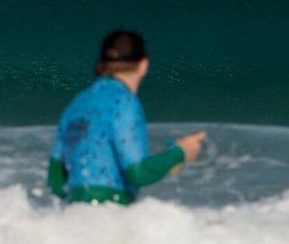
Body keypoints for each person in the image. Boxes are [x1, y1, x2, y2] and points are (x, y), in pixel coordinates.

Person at [47, 29, 206, 205]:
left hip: (74, 215)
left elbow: (56, 183)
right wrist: (180, 153)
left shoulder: (76, 104)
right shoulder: (124, 102)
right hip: (109, 215)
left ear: (101, 65)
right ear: (143, 65)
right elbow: (138, 173)